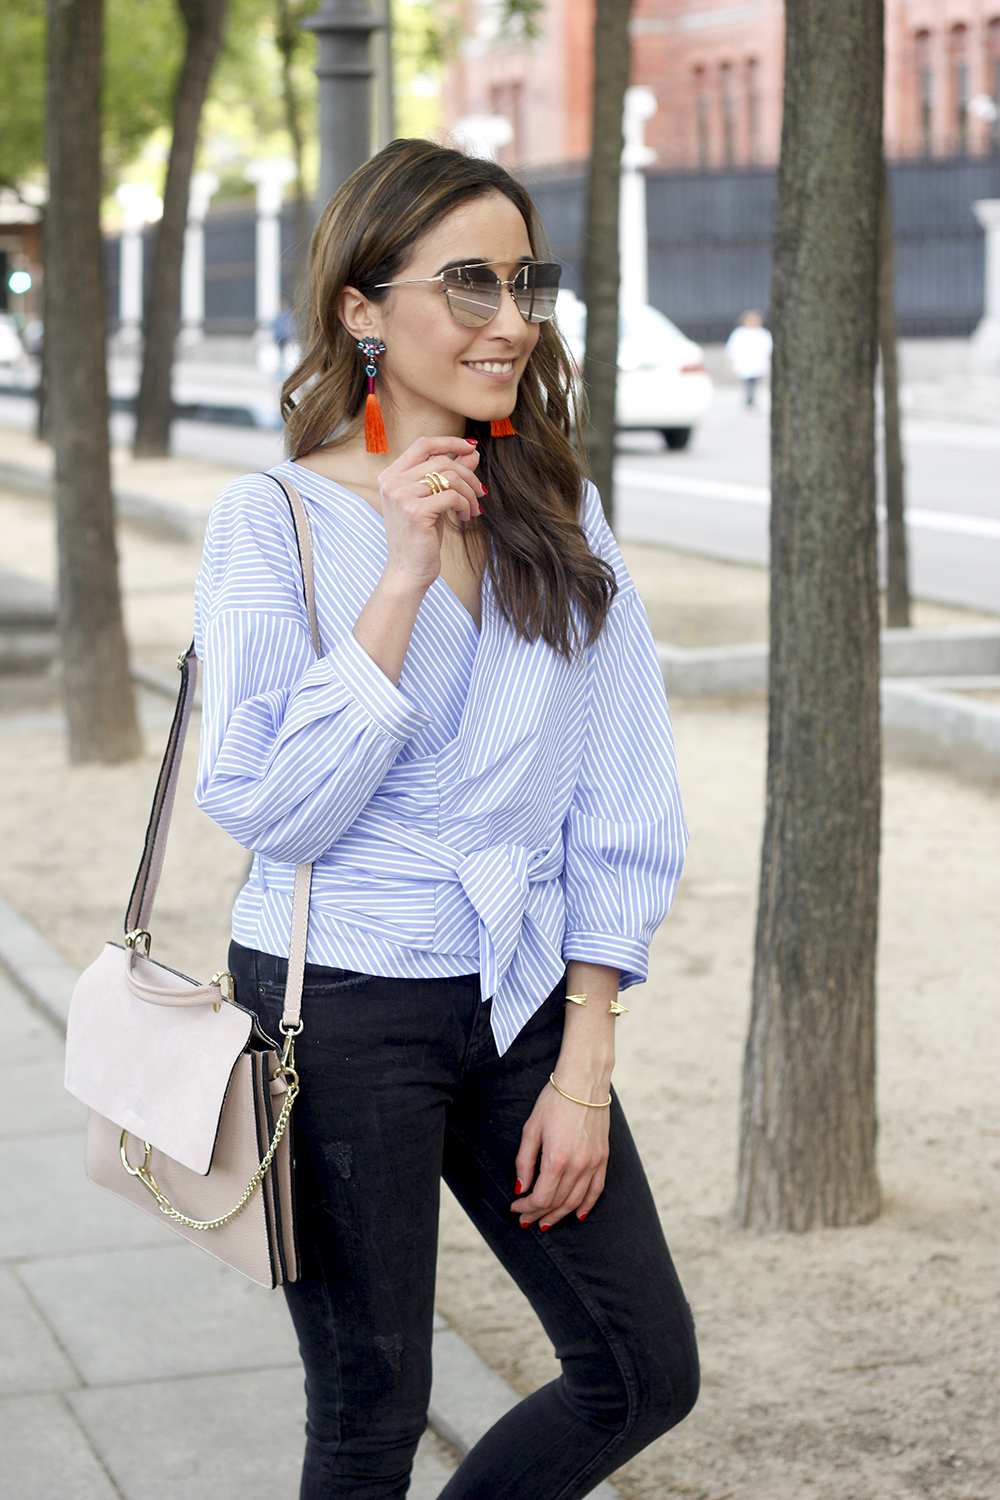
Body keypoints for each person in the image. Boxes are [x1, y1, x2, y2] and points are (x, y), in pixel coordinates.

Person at [194, 138, 699, 1500]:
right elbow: (269, 808)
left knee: (643, 1368)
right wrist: (402, 575)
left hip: (522, 987)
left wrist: (584, 1050)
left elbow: (622, 789)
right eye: (467, 284)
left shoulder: (555, 507)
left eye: (525, 283)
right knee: (371, 1416)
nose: (511, 320)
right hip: (338, 998)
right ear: (363, 309)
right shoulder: (272, 522)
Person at [725, 309, 772, 407]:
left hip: (758, 363)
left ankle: (751, 400)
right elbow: (731, 350)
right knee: (747, 383)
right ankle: (749, 400)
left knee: (755, 383)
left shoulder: (762, 333)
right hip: (744, 363)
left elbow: (768, 349)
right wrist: (730, 364)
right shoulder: (739, 333)